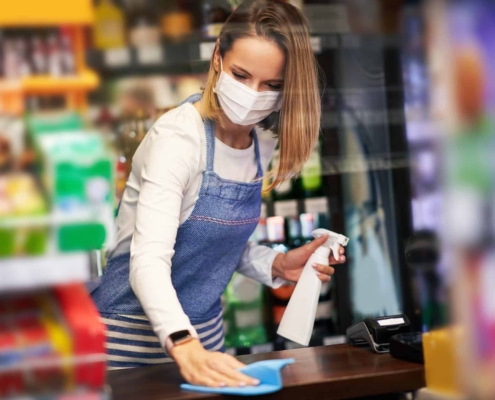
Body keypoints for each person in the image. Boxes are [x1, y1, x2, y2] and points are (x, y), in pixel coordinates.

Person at [92, 0, 346, 388]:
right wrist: (183, 343)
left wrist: (279, 265)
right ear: (217, 59)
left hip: (207, 342)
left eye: (271, 86)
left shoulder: (260, 142)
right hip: (130, 347)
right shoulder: (177, 139)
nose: (252, 95)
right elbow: (148, 261)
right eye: (241, 75)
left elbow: (214, 244)